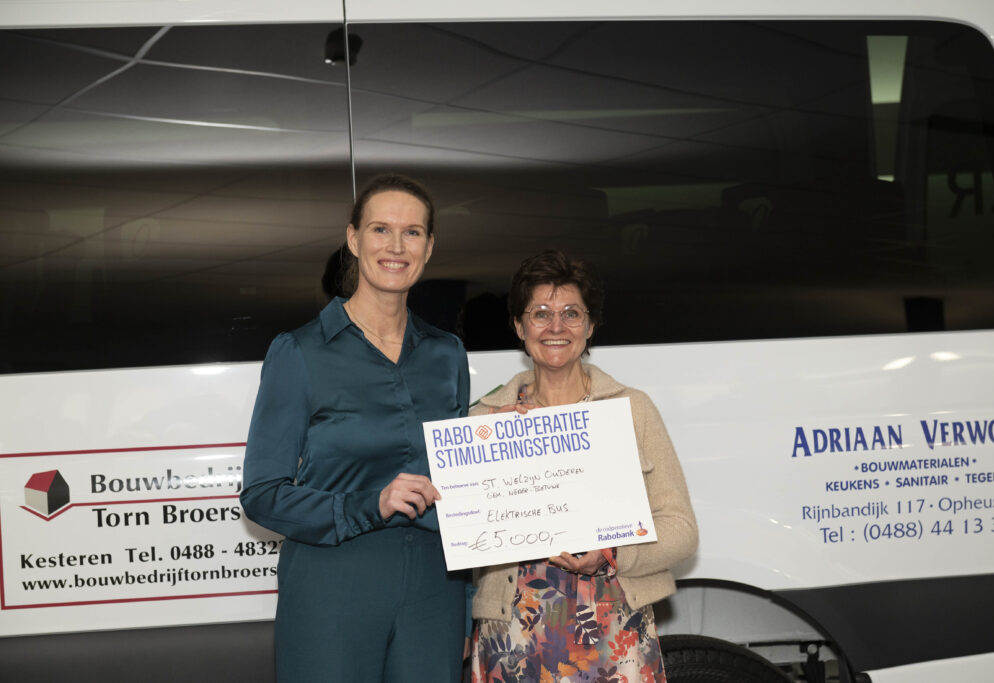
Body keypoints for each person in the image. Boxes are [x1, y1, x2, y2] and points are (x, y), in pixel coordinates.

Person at [241, 173, 470, 682]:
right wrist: (371, 503)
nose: (396, 246)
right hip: (333, 580)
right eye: (380, 229)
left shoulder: (447, 353)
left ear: (429, 247)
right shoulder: (300, 352)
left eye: (412, 232)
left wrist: (467, 603)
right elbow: (262, 494)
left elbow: (461, 478)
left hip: (435, 586)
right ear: (353, 239)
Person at [470, 250, 699, 683]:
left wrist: (614, 554)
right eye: (540, 313)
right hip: (515, 641)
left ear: (590, 326)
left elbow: (682, 529)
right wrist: (491, 453)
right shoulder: (486, 420)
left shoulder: (632, 409)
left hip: (613, 635)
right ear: (519, 326)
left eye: (571, 313)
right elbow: (463, 533)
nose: (556, 327)